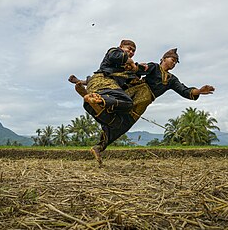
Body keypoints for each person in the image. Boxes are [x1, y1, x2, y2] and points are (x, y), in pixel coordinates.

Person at [70, 48, 215, 166]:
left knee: (123, 125)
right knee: (120, 104)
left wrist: (200, 91)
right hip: (136, 91)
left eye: (176, 62)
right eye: (172, 60)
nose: (174, 63)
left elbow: (185, 91)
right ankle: (96, 97)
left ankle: (98, 147)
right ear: (164, 59)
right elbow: (140, 69)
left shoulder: (172, 80)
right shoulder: (154, 67)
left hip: (144, 101)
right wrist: (134, 66)